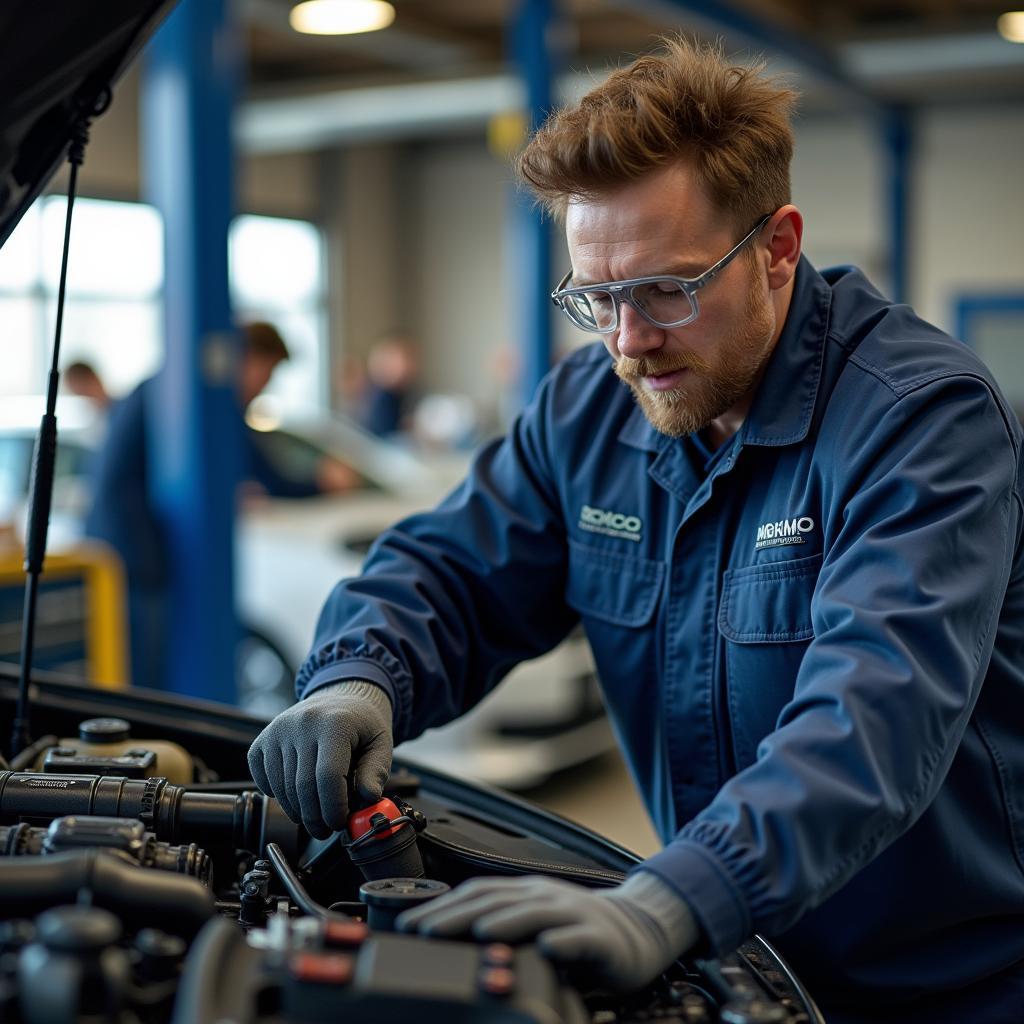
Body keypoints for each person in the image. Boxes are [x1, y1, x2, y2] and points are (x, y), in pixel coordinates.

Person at [246, 38, 1024, 1023]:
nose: (628, 341)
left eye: (667, 289)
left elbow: (875, 715)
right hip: (735, 965)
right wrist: (360, 675)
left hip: (943, 989)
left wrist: (674, 894)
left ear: (778, 248)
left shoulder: (919, 420)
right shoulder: (589, 408)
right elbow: (454, 566)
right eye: (595, 297)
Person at [85, 321, 355, 690]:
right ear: (248, 359)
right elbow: (265, 471)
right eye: (269, 372)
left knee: (151, 672)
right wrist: (321, 482)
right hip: (138, 563)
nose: (266, 386)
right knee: (147, 677)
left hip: (130, 554)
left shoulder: (164, 387)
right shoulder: (201, 396)